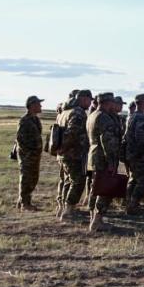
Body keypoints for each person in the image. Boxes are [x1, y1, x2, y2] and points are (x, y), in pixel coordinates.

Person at [87, 92, 122, 231]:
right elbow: (108, 142)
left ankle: (93, 218)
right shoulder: (104, 118)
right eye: (113, 102)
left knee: (95, 188)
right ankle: (97, 220)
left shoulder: (93, 115)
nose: (114, 104)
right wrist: (112, 161)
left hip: (94, 156)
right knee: (104, 190)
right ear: (108, 102)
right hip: (103, 158)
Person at [57, 89, 92, 221]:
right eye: (89, 100)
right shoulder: (78, 113)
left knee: (68, 181)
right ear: (83, 98)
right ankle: (69, 211)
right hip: (73, 154)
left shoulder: (64, 112)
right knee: (78, 182)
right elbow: (72, 134)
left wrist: (61, 149)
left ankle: (63, 209)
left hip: (64, 153)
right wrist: (67, 148)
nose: (90, 103)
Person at [123, 93, 144, 214]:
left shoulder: (132, 116)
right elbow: (142, 138)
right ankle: (133, 204)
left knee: (134, 179)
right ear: (143, 103)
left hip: (132, 154)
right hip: (141, 155)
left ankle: (129, 203)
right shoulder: (141, 118)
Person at [14, 95, 44, 211]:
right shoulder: (25, 120)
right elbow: (20, 139)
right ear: (32, 105)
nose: (40, 106)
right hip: (27, 156)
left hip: (34, 156)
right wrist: (28, 153)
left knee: (33, 179)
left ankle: (23, 201)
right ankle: (24, 204)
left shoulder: (35, 119)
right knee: (26, 178)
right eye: (38, 104)